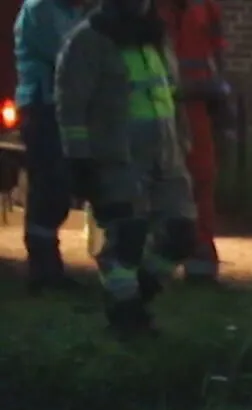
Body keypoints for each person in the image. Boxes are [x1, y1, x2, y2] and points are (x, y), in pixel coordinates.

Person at [56, 0, 198, 336]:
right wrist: (79, 159)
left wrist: (182, 140)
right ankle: (125, 311)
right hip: (118, 155)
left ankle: (135, 295)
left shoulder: (154, 37)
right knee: (127, 237)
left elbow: (171, 94)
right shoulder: (88, 40)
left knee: (181, 234)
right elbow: (71, 107)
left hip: (166, 155)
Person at [12, 0, 93, 294]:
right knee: (49, 186)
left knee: (57, 188)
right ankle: (42, 271)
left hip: (60, 106)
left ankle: (50, 268)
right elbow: (67, 55)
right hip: (43, 104)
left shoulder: (69, 11)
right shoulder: (41, 9)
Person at [155, 0, 228, 284]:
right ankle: (158, 260)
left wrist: (220, 92)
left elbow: (217, 50)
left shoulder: (205, 6)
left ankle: (201, 262)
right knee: (161, 183)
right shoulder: (148, 8)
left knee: (202, 179)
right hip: (158, 105)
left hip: (197, 105)